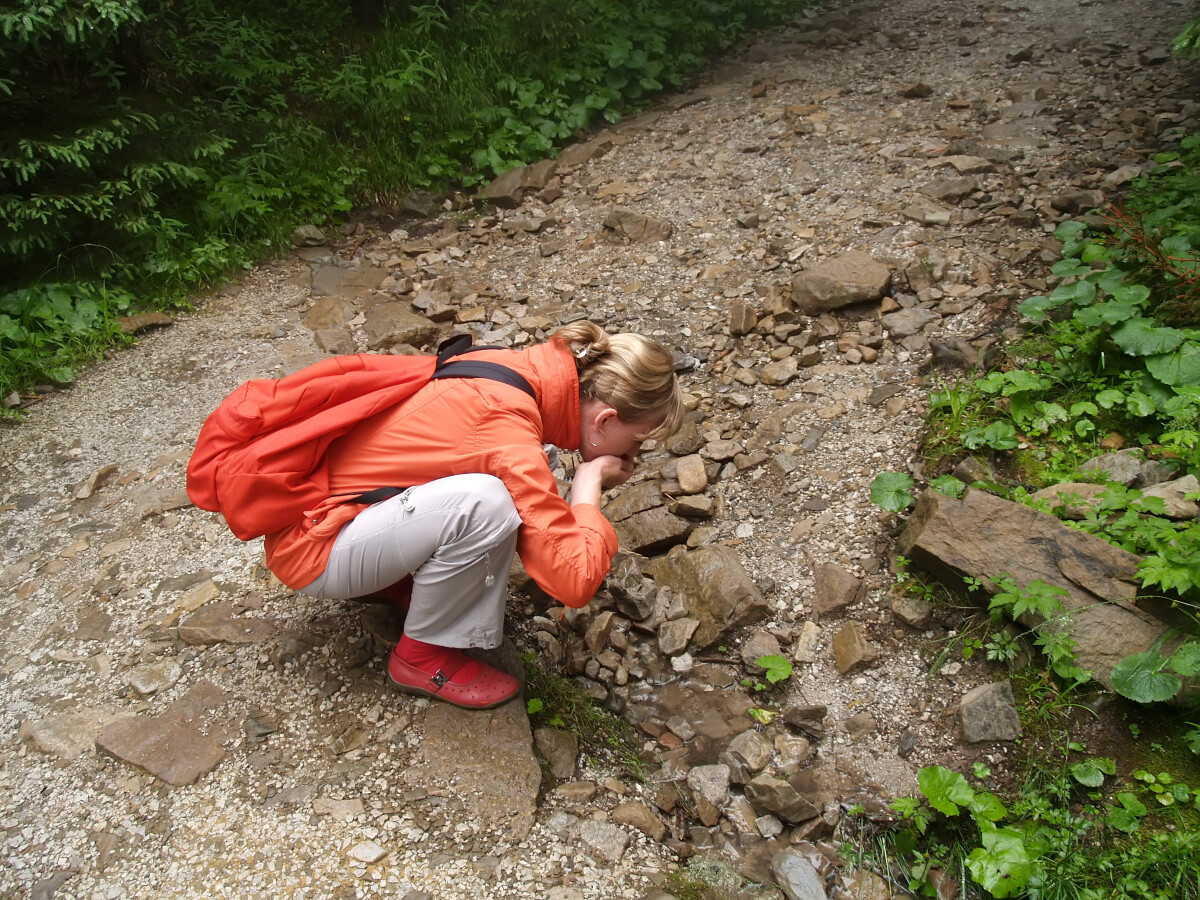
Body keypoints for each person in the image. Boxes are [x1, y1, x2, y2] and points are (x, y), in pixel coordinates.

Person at [262, 321, 684, 709]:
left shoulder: (516, 371)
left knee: (517, 476)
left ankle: (399, 585)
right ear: (605, 420)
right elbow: (574, 581)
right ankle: (420, 657)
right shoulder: (507, 423)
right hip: (316, 549)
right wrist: (588, 485)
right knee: (488, 502)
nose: (633, 458)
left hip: (329, 513)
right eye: (636, 442)